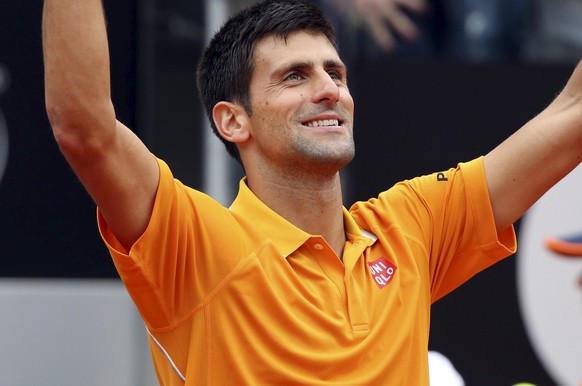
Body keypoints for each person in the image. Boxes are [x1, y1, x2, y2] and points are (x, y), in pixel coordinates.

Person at [42, 0, 581, 384]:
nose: (330, 90)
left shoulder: (408, 225)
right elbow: (85, 128)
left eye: (336, 73)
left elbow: (571, 117)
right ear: (232, 121)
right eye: (295, 76)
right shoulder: (197, 243)